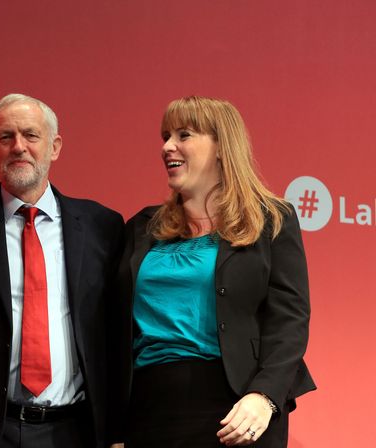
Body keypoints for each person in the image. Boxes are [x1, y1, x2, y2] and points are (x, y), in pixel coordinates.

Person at [115, 96, 315, 447]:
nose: (167, 146)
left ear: (222, 146)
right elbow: (111, 332)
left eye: (184, 134)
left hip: (237, 409)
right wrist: (113, 430)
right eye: (165, 136)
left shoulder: (272, 219)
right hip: (148, 409)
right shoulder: (141, 227)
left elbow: (290, 320)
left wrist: (264, 396)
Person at [0, 93, 124, 448]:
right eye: (6, 137)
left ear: (54, 146)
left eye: (31, 135)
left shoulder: (102, 226)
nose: (19, 147)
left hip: (78, 430)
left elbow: (118, 335)